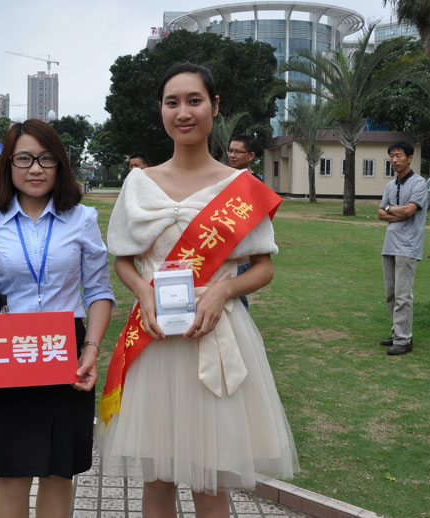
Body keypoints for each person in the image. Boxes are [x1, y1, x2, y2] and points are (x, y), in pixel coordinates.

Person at [99, 63, 297, 517]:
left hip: (216, 337)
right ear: (161, 110)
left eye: (194, 100)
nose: (183, 112)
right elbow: (124, 260)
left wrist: (222, 291)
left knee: (210, 483)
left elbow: (263, 268)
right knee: (157, 480)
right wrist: (142, 291)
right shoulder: (138, 184)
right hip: (154, 342)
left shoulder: (241, 187)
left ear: (215, 106)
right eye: (172, 102)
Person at [0, 119, 115, 517]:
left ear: (60, 164)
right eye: (24, 159)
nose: (36, 169)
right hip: (6, 352)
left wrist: (91, 349)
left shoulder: (82, 218)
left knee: (59, 473)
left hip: (65, 352)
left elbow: (98, 292)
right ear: (8, 164)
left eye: (46, 159)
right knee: (11, 473)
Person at [377, 140, 428, 356]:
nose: (394, 160)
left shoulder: (419, 183)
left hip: (408, 246)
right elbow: (380, 213)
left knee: (403, 295)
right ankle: (398, 331)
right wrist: (394, 210)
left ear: (410, 158)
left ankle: (404, 339)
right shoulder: (390, 185)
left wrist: (391, 210)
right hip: (389, 244)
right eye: (391, 156)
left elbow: (410, 211)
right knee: (391, 294)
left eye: (399, 156)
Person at [227, 135, 262, 309]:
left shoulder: (257, 183)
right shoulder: (223, 178)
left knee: (237, 296)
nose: (232, 155)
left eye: (237, 152)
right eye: (230, 151)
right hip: (221, 243)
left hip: (242, 247)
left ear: (251, 155)